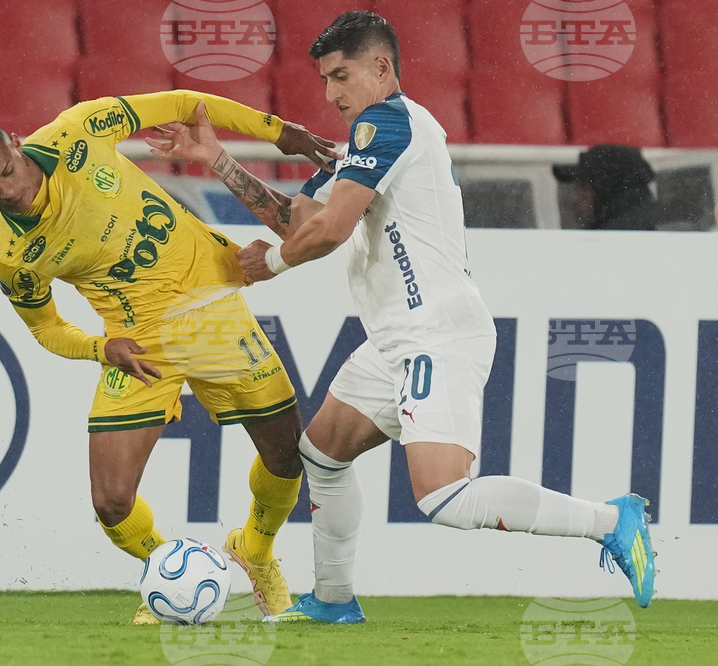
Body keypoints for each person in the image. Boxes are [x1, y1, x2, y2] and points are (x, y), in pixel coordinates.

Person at [148, 11, 656, 623]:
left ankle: (612, 521)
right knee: (323, 453)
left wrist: (272, 266)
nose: (331, 94)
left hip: (437, 333)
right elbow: (297, 219)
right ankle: (334, 601)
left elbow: (328, 234)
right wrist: (215, 158)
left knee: (442, 496)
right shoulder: (365, 141)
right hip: (395, 340)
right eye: (325, 80)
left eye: (342, 76)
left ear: (381, 69)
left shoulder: (390, 124)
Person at [0, 91, 340, 624]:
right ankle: (168, 572)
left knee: (287, 456)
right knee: (110, 502)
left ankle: (255, 550)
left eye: (6, 172)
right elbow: (45, 329)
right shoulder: (11, 257)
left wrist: (280, 132)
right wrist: (99, 348)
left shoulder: (77, 130)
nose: (6, 192)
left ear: (15, 143)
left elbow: (184, 103)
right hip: (139, 344)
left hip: (212, 304)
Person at [553, 144, 661, 231]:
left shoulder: (606, 246)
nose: (575, 199)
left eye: (584, 188)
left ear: (609, 191)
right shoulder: (645, 232)